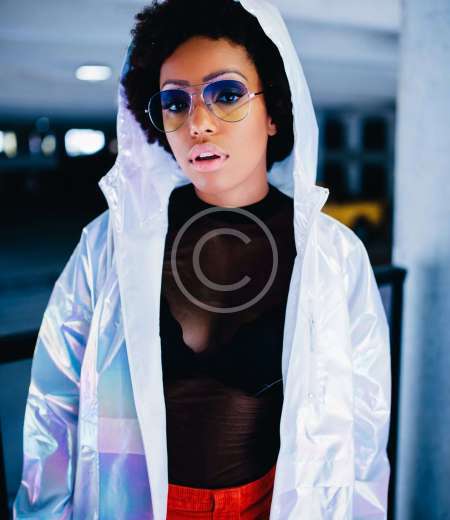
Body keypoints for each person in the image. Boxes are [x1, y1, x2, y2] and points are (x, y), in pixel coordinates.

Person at [13, 0, 392, 518]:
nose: (198, 123)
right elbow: (54, 406)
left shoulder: (332, 256)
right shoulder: (111, 246)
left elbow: (363, 428)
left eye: (227, 94)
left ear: (274, 113)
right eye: (174, 102)